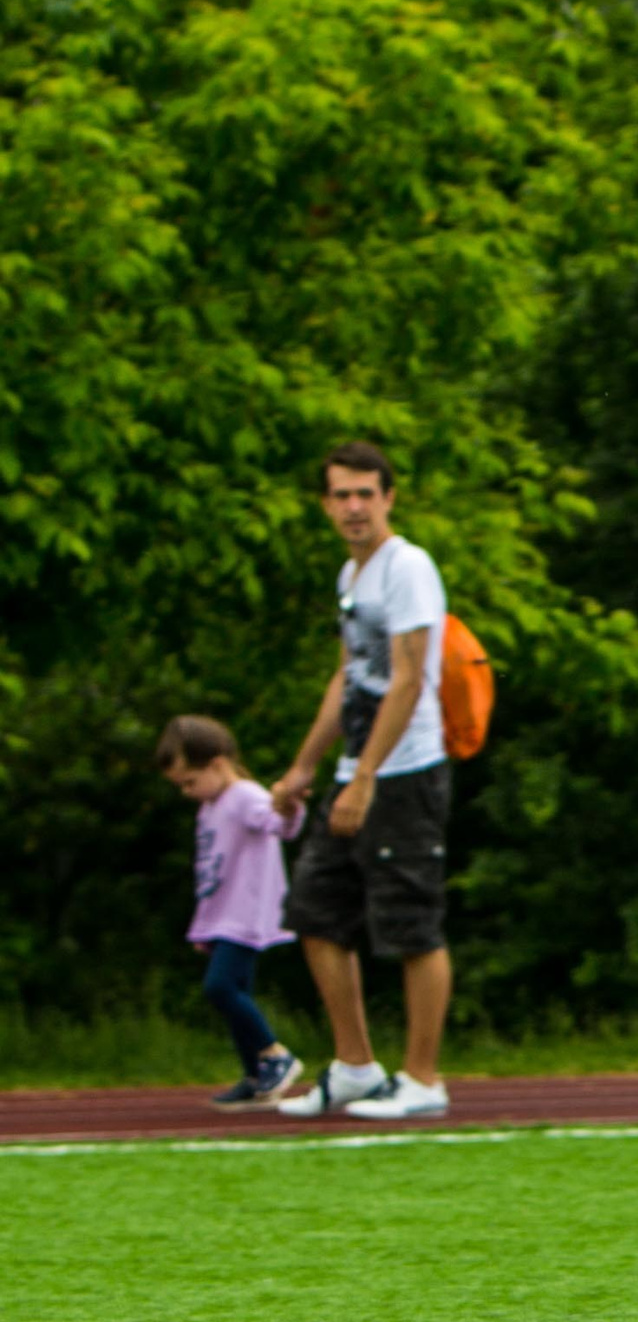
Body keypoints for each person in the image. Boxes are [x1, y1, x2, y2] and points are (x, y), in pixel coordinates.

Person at [269, 442, 455, 1121]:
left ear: (388, 498)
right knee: (316, 915)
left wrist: (367, 777)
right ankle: (354, 1066)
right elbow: (350, 677)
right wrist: (306, 765)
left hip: (404, 774)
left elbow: (408, 680)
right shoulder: (354, 574)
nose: (353, 506)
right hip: (358, 770)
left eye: (365, 493)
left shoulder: (408, 569)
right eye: (341, 495)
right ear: (325, 504)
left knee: (412, 926)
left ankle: (423, 1079)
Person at [157, 715, 307, 1110]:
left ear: (218, 764)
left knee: (219, 988)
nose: (187, 792)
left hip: (246, 912)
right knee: (235, 993)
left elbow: (279, 824)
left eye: (190, 781)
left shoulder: (242, 796)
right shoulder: (211, 805)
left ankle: (274, 1056)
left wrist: (288, 806)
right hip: (225, 916)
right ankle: (256, 1077)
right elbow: (211, 869)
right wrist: (205, 925)